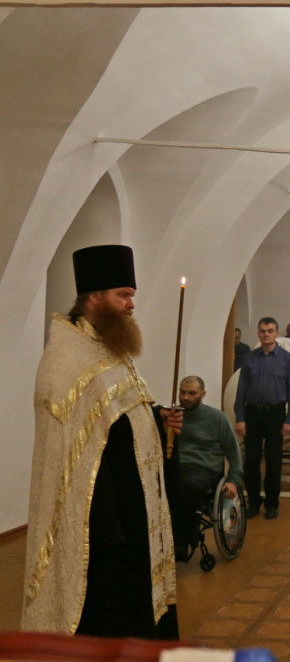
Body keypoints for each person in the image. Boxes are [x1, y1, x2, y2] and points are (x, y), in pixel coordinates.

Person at [23, 244, 179, 638]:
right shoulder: (66, 360)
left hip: (133, 509)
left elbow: (116, 418)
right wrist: (108, 529)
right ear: (94, 297)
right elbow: (70, 448)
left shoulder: (106, 347)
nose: (130, 305)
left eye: (131, 296)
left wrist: (156, 417)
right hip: (104, 524)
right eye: (123, 295)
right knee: (112, 614)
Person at [169, 375, 243, 562]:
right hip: (176, 466)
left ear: (203, 394)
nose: (185, 397)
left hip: (204, 469)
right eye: (182, 392)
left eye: (191, 393)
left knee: (187, 486)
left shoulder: (217, 418)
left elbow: (234, 455)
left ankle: (182, 542)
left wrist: (233, 481)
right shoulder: (172, 416)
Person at [234, 316, 290, 520]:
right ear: (258, 334)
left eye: (270, 330)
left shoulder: (287, 359)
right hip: (253, 414)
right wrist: (240, 417)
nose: (266, 334)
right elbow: (241, 390)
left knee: (273, 462)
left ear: (277, 334)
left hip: (276, 415)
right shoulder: (249, 359)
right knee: (251, 461)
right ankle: (254, 502)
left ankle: (272, 503)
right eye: (262, 331)